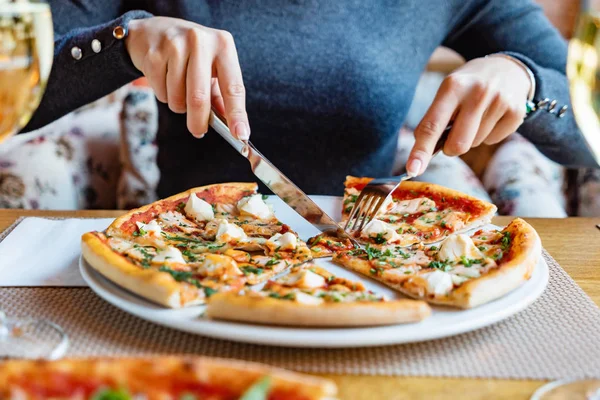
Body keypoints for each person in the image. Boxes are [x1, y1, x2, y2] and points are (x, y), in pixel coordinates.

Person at [24, 0, 599, 198]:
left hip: (369, 272)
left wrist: (526, 83)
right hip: (178, 266)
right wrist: (125, 40)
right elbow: (20, 75)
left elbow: (586, 122)